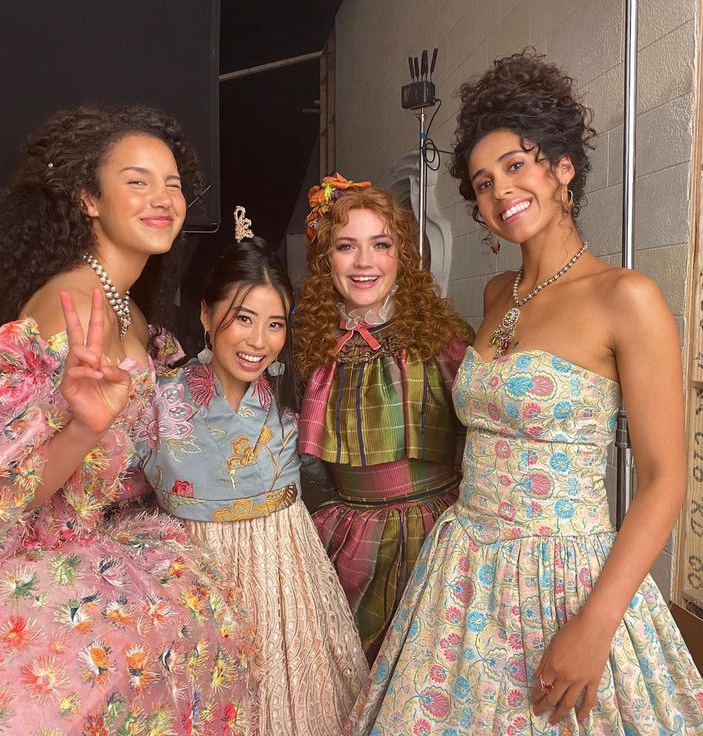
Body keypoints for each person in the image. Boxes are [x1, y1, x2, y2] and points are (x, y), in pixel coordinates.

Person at [346, 50, 703, 735]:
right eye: (482, 182)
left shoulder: (624, 297)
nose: (499, 190)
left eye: (517, 164)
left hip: (566, 578)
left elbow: (663, 479)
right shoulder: (495, 293)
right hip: (463, 570)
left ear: (563, 167)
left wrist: (596, 626)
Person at [0, 106, 256, 735]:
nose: (163, 198)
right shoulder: (71, 304)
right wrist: (82, 427)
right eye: (138, 180)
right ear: (89, 201)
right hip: (52, 578)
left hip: (123, 554)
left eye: (174, 183)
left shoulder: (128, 307)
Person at [132, 207, 368, 736]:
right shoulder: (159, 397)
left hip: (284, 570)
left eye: (275, 323)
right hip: (193, 572)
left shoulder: (296, 392)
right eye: (242, 317)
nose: (259, 340)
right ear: (206, 314)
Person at [294, 178, 475, 662]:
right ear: (325, 259)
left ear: (402, 255)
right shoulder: (309, 345)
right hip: (351, 542)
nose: (364, 262)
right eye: (346, 246)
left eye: (381, 245)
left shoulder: (444, 335)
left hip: (439, 535)